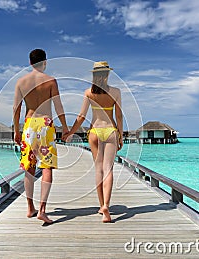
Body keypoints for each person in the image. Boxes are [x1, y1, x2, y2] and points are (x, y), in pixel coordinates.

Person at [62, 61, 123, 223]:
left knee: (98, 171)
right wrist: (121, 135)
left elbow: (81, 117)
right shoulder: (116, 92)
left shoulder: (88, 92)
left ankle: (101, 204)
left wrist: (70, 133)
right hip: (110, 131)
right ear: (108, 74)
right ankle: (106, 208)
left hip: (95, 132)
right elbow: (119, 116)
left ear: (94, 75)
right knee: (108, 170)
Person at [13, 49, 68, 224]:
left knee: (29, 168)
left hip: (29, 125)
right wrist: (65, 127)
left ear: (30, 63)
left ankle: (30, 208)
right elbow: (59, 107)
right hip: (45, 124)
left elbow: (16, 109)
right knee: (47, 167)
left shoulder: (21, 82)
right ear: (45, 62)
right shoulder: (51, 81)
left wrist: (16, 131)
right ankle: (42, 210)